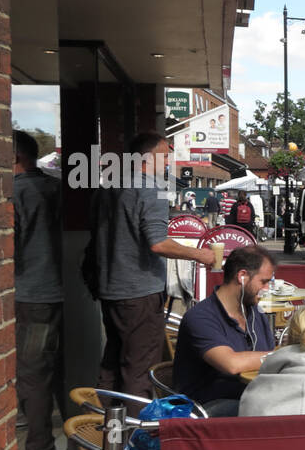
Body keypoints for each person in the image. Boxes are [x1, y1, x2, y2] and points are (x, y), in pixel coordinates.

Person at [85, 131, 214, 404]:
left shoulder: (107, 187)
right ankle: (135, 440)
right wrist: (198, 254)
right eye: (166, 155)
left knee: (111, 364)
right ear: (149, 158)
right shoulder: (151, 188)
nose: (168, 162)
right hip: (139, 292)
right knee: (139, 372)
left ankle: (106, 434)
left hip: (110, 289)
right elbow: (158, 243)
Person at [13, 130, 65, 450]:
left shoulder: (12, 194)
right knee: (62, 371)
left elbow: (8, 248)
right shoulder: (57, 188)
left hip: (32, 295)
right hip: (67, 294)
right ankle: (80, 441)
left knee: (33, 376)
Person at [175, 245, 277, 415]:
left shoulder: (255, 312)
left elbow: (267, 360)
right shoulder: (200, 317)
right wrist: (282, 355)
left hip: (250, 396)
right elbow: (231, 364)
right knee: (275, 412)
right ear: (242, 276)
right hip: (205, 408)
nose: (267, 289)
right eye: (264, 282)